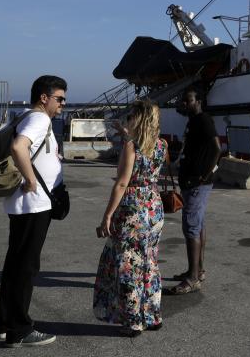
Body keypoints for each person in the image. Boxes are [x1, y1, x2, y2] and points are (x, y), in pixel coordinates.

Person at [0, 75, 66, 347]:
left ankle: (5, 323)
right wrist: (31, 179)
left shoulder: (23, 116)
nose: (63, 104)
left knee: (15, 264)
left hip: (23, 206)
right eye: (59, 98)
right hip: (33, 205)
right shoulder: (39, 119)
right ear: (44, 98)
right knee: (26, 267)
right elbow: (18, 147)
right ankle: (20, 329)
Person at [93, 99, 166, 337]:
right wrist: (126, 135)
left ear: (140, 119)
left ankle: (134, 320)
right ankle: (152, 315)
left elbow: (122, 183)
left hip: (133, 209)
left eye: (132, 116)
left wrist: (107, 215)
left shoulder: (131, 147)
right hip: (153, 207)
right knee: (149, 262)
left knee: (128, 265)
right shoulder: (162, 145)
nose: (129, 119)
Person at [168, 89, 220, 295]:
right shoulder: (192, 122)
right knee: (198, 225)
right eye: (183, 100)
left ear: (198, 101)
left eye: (188, 100)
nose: (184, 103)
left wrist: (206, 174)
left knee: (191, 226)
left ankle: (192, 279)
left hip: (198, 182)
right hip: (190, 181)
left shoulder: (203, 120)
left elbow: (217, 148)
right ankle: (197, 270)